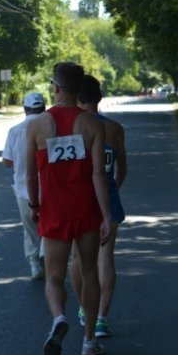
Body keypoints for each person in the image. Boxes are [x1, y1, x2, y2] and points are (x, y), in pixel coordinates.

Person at [25, 62, 112, 355]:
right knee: (89, 271)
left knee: (53, 276)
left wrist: (34, 205)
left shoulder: (37, 125)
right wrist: (107, 215)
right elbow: (99, 174)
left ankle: (59, 317)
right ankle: (89, 340)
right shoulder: (92, 125)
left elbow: (30, 176)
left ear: (56, 87)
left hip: (54, 209)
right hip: (86, 208)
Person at [70, 74, 127, 338]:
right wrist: (111, 189)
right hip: (109, 195)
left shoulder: (73, 128)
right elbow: (122, 169)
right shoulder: (114, 129)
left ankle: (85, 308)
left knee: (78, 258)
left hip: (79, 196)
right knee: (106, 258)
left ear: (76, 98)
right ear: (100, 97)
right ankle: (102, 317)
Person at [2, 92, 46, 280]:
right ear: (43, 108)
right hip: (49, 188)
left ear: (25, 109)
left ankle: (34, 262)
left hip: (23, 190)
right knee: (49, 226)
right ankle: (47, 257)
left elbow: (6, 161)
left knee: (29, 228)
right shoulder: (52, 128)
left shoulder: (15, 131)